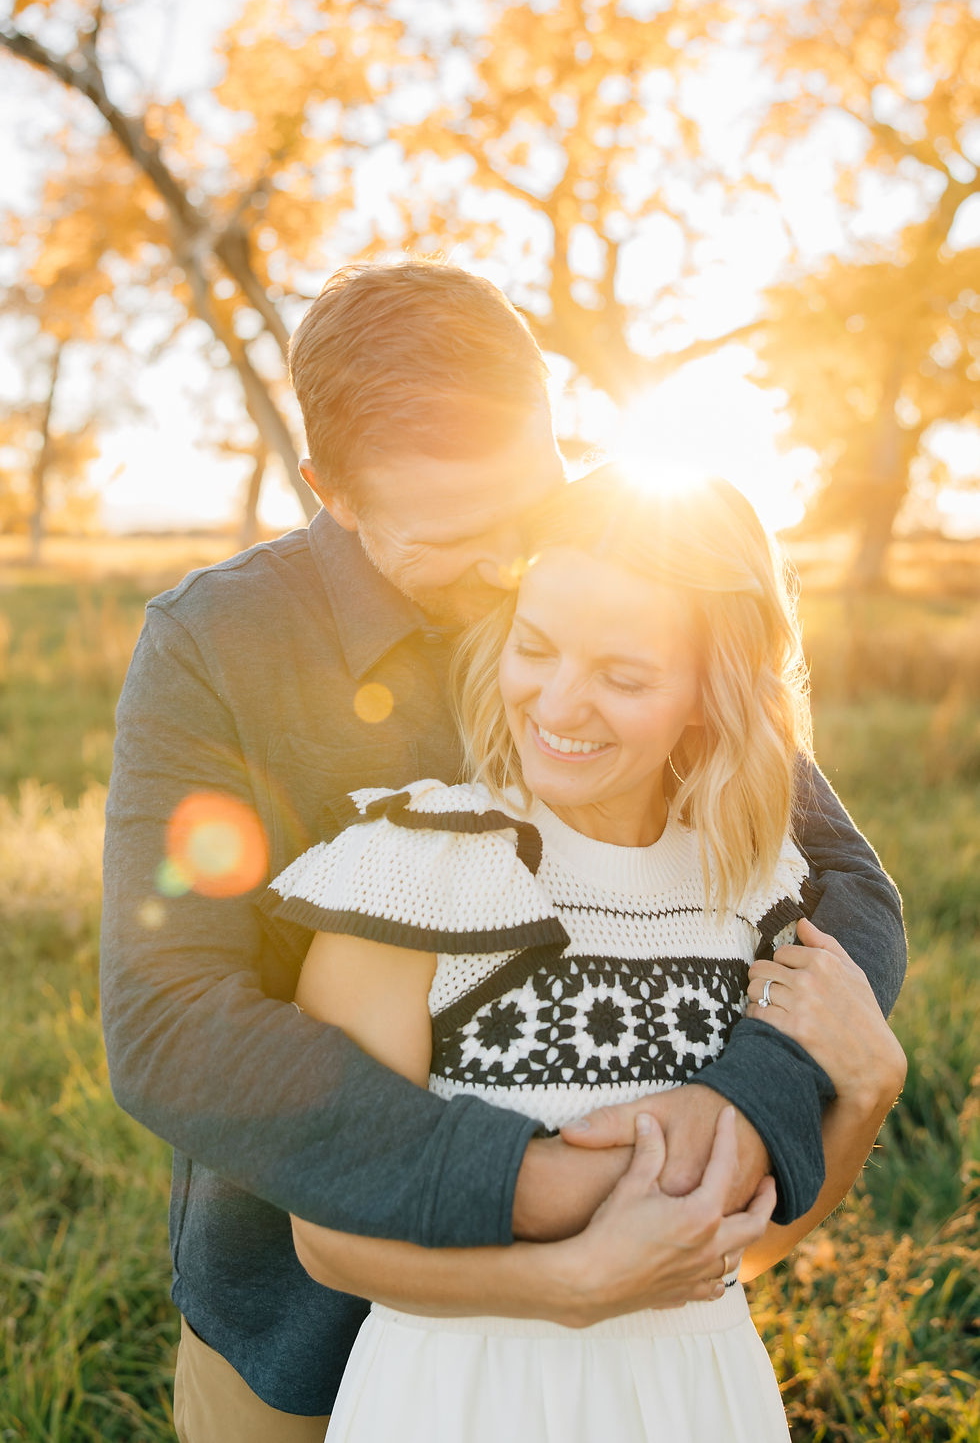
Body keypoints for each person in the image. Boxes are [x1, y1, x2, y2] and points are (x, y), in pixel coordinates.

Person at [99, 259, 907, 1439]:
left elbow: (842, 884)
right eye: (454, 536)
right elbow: (169, 1019)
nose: (505, 566)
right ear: (331, 490)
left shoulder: (611, 576)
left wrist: (750, 1091)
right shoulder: (216, 649)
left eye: (528, 504)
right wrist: (527, 1187)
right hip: (308, 1319)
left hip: (630, 1320)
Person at [270, 466, 906, 1442]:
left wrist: (865, 1096)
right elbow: (327, 1239)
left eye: (622, 676)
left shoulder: (753, 884)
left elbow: (745, 1245)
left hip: (696, 1393)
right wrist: (562, 1287)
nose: (558, 704)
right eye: (534, 648)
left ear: (707, 695)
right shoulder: (408, 870)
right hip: (462, 1395)